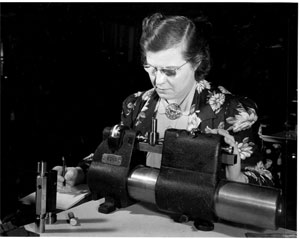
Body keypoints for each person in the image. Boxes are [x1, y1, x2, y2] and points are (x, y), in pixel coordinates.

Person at [53, 12, 273, 188]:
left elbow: (266, 182)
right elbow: (113, 153)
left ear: (197, 62)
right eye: (151, 68)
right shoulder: (136, 105)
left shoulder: (234, 111)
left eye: (169, 71)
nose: (158, 81)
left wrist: (236, 177)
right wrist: (79, 172)